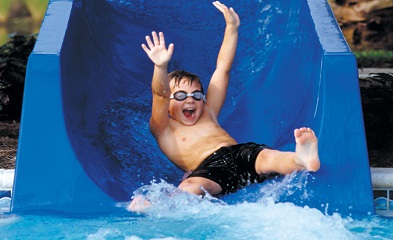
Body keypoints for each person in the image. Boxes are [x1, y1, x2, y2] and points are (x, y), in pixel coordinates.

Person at [129, 1, 320, 211]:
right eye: (181, 95)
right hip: (208, 170)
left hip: (240, 153)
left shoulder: (208, 112)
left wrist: (232, 29)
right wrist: (160, 66)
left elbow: (222, 69)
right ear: (168, 105)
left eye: (196, 95)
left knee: (270, 157)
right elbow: (160, 93)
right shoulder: (163, 127)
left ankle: (301, 159)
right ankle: (158, 206)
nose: (190, 100)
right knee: (191, 186)